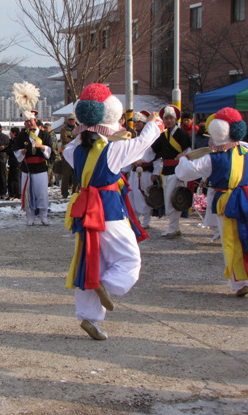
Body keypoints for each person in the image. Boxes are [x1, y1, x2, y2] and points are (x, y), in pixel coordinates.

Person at [63, 83, 162, 340]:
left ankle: (89, 318)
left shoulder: (73, 150)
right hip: (109, 210)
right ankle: (104, 284)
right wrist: (155, 123)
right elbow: (143, 142)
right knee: (129, 261)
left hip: (85, 211)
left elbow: (77, 142)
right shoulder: (113, 150)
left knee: (92, 257)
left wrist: (84, 129)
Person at [175, 107, 248, 297]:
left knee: (231, 241)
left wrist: (183, 159)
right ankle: (245, 278)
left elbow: (185, 172)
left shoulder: (211, 159)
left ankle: (239, 282)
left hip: (227, 202)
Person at [151, 105, 192, 238]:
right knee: (168, 199)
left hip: (177, 171)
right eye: (166, 118)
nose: (168, 121)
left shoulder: (182, 135)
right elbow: (153, 152)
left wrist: (183, 172)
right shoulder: (163, 136)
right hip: (166, 171)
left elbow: (188, 153)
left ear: (175, 119)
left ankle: (173, 227)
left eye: (171, 118)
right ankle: (175, 227)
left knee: (175, 199)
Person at [15, 113, 53, 225]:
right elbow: (15, 149)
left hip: (41, 168)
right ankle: (30, 216)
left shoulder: (44, 134)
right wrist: (20, 152)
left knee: (41, 193)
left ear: (35, 120)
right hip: (27, 169)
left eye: (30, 120)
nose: (28, 123)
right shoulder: (22, 135)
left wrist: (40, 146)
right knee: (28, 193)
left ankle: (43, 216)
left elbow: (51, 151)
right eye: (26, 121)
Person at [128, 111, 156, 229]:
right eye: (135, 122)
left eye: (139, 122)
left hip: (145, 172)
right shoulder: (134, 138)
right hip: (134, 171)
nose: (137, 124)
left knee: (143, 196)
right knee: (132, 196)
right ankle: (135, 219)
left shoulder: (151, 139)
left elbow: (154, 156)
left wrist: (155, 172)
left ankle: (146, 222)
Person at [59, 114, 79, 198]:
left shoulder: (79, 128)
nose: (71, 121)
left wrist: (72, 138)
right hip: (66, 154)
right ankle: (64, 193)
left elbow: (80, 139)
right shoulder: (63, 130)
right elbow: (64, 139)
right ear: (67, 120)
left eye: (72, 119)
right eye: (70, 119)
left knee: (76, 175)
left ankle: (75, 191)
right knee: (66, 175)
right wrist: (74, 139)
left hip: (76, 154)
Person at [6, 126, 22, 200]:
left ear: (14, 133)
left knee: (16, 178)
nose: (9, 134)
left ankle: (17, 194)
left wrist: (7, 150)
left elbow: (13, 151)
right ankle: (11, 193)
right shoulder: (12, 141)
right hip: (12, 162)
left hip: (16, 162)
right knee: (11, 178)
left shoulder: (17, 141)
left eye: (11, 132)